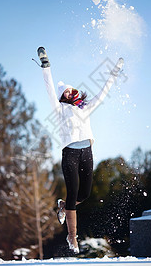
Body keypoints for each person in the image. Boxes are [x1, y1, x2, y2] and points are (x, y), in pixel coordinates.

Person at [36, 47, 123, 254]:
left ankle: (63, 206)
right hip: (70, 154)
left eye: (70, 90)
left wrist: (113, 74)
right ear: (62, 96)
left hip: (87, 152)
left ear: (74, 91)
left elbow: (103, 94)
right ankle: (72, 237)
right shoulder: (60, 109)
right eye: (64, 92)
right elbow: (49, 88)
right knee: (73, 191)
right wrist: (46, 66)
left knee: (84, 194)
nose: (68, 92)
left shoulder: (85, 106)